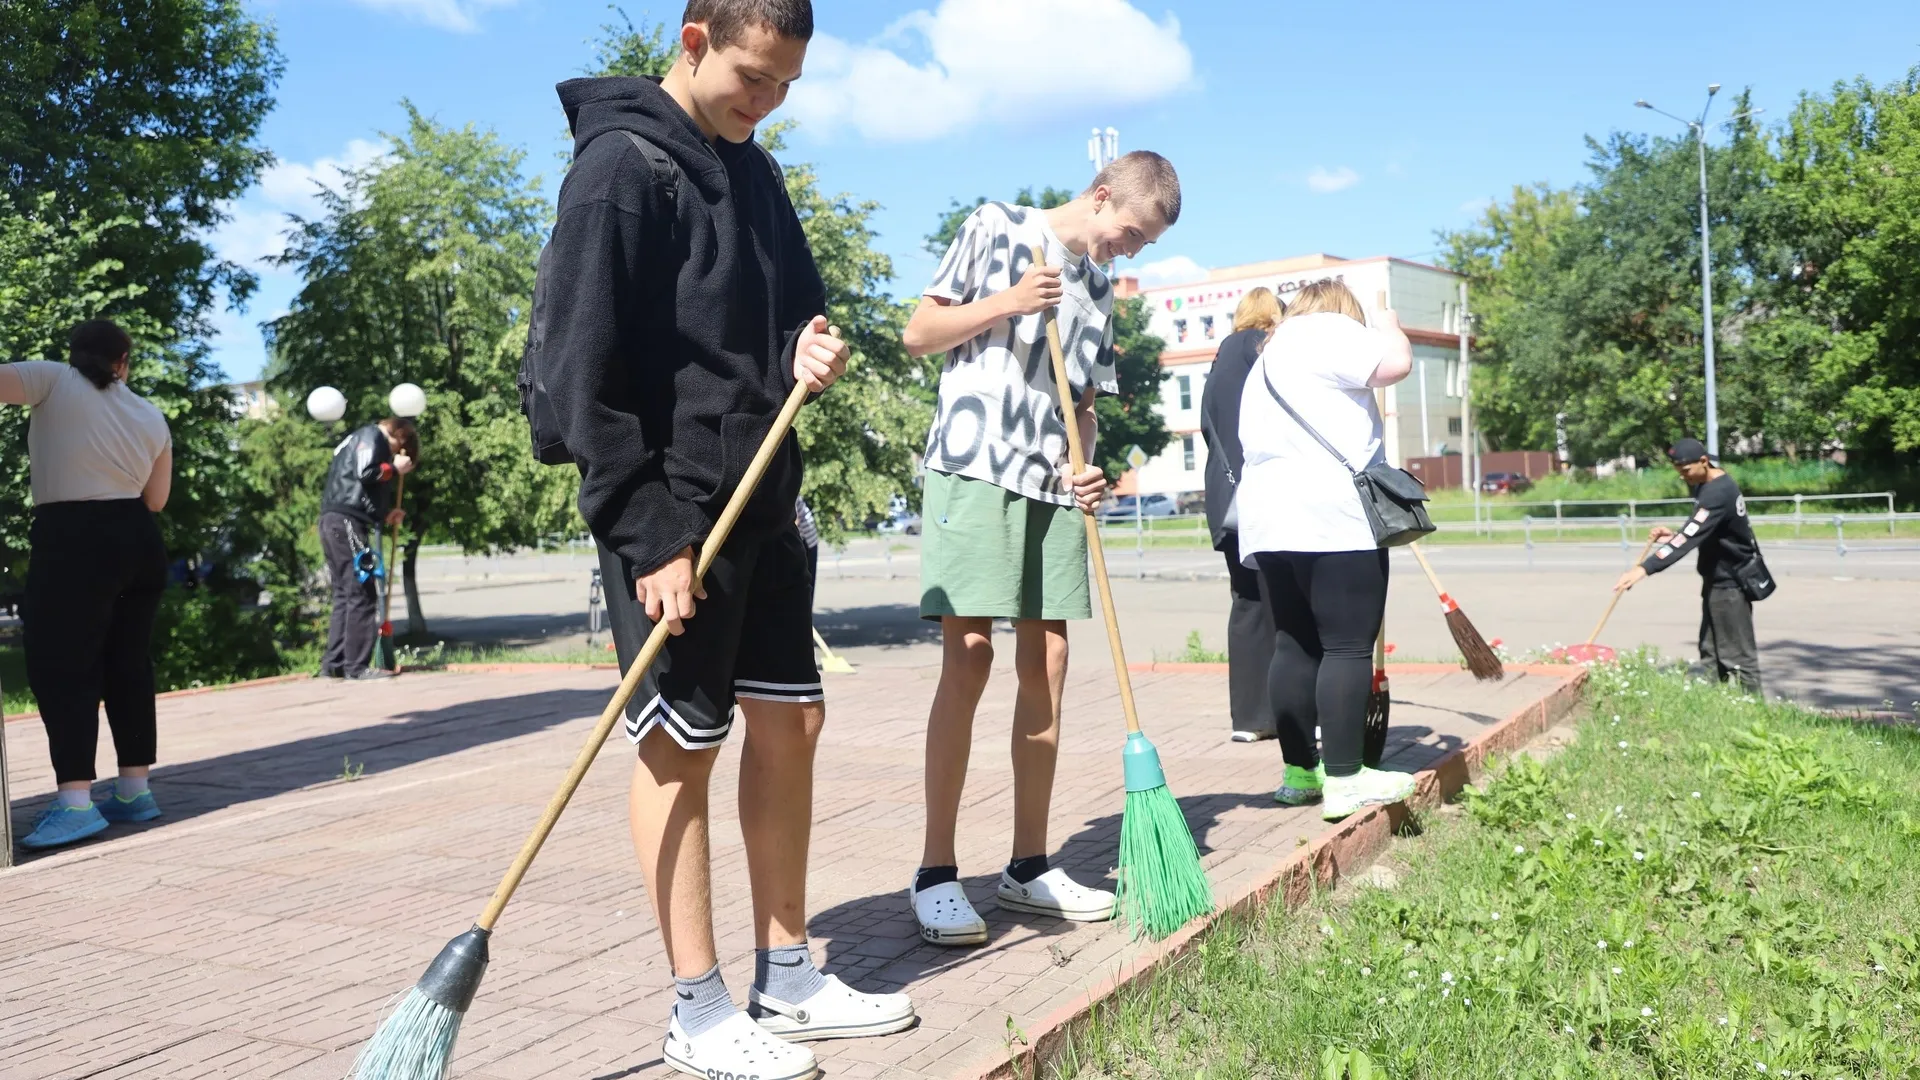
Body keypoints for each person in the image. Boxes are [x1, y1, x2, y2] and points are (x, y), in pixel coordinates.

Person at [536, 3, 912, 1076]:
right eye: (755, 75)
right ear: (695, 38)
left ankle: (787, 976)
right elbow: (579, 371)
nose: (768, 100)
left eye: (787, 85)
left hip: (764, 493)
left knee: (791, 723)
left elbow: (798, 306)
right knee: (680, 744)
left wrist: (812, 345)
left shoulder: (755, 170)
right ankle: (696, 1009)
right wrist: (651, 534)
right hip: (671, 511)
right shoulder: (619, 168)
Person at [902, 151, 1182, 945]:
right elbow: (919, 333)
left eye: (1142, 246)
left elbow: (1084, 405)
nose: (1127, 252)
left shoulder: (1097, 288)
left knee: (1049, 661)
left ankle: (1028, 865)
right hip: (975, 464)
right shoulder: (999, 227)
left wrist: (1085, 463)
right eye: (1128, 233)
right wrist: (1010, 301)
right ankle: (936, 871)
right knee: (972, 656)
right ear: (1101, 196)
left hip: (1050, 485)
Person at [1235, 280, 1419, 821]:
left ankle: (1299, 774)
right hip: (1332, 516)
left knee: (1292, 643)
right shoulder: (1328, 330)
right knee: (1346, 645)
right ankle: (1346, 779)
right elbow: (1395, 366)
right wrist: (1386, 325)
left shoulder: (1266, 358)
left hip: (1268, 519)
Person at [0, 319, 172, 851]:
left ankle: (76, 804)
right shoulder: (150, 413)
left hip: (72, 537)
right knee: (128, 662)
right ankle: (134, 791)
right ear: (125, 361)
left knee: (63, 663)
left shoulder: (51, 379)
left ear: (73, 353)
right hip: (138, 539)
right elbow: (156, 500)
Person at [1612, 438, 1764, 695]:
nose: (1682, 477)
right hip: (1717, 580)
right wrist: (1673, 537)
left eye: (1685, 470)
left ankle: (1756, 708)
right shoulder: (1709, 484)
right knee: (1711, 653)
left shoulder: (1717, 492)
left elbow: (1690, 537)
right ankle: (1718, 707)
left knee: (1738, 657)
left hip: (1731, 583)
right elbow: (1704, 530)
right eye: (1678, 471)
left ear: (1703, 462)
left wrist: (1643, 569)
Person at [1201, 287, 1284, 748]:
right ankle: (1295, 712)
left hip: (1225, 499)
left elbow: (1208, 428)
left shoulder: (1220, 359)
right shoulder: (1265, 351)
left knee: (1247, 601)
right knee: (1288, 601)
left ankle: (1250, 717)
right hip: (1264, 495)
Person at [317, 414, 416, 681]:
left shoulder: (355, 439)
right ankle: (356, 666)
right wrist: (395, 469)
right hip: (347, 522)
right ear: (400, 436)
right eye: (399, 447)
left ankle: (335, 664)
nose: (395, 452)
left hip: (334, 520)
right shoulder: (373, 436)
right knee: (362, 592)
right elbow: (368, 472)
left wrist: (383, 515)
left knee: (345, 594)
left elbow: (356, 485)